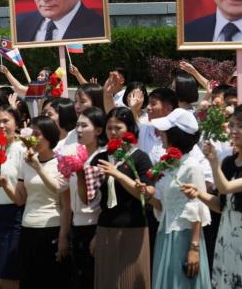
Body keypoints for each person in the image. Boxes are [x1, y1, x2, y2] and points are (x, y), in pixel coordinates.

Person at [192, 108, 242, 289]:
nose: (234, 131)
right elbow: (220, 205)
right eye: (231, 125)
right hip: (225, 233)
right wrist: (198, 193)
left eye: (241, 126)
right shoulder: (229, 163)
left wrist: (214, 163)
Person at [0, 116, 68, 287]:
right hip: (28, 228)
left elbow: (62, 197)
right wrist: (6, 185)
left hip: (51, 227)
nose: (32, 139)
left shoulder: (60, 162)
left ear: (49, 136)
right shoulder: (26, 162)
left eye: (37, 134)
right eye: (31, 134)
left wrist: (63, 237)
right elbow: (20, 200)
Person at [146, 108, 211, 289]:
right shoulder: (170, 164)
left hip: (184, 235)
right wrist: (148, 196)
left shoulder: (192, 166)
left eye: (165, 132)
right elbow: (164, 205)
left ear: (175, 135)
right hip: (166, 232)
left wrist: (194, 248)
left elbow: (197, 208)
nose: (160, 135)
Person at [89, 106, 153, 289]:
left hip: (134, 227)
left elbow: (146, 193)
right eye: (109, 128)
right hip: (106, 227)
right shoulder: (100, 158)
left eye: (118, 128)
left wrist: (118, 174)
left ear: (130, 129)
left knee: (130, 281)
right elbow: (92, 199)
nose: (113, 132)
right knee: (107, 280)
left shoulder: (140, 158)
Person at [65, 107, 107, 289]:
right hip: (77, 226)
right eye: (77, 126)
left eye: (84, 126)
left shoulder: (102, 158)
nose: (79, 130)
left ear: (98, 130)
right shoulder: (79, 154)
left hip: (93, 227)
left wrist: (98, 234)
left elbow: (90, 199)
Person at [0, 105, 26, 289]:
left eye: (6, 121)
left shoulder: (23, 151)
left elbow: (23, 195)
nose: (1, 125)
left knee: (10, 276)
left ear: (17, 124)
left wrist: (6, 184)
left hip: (17, 216)